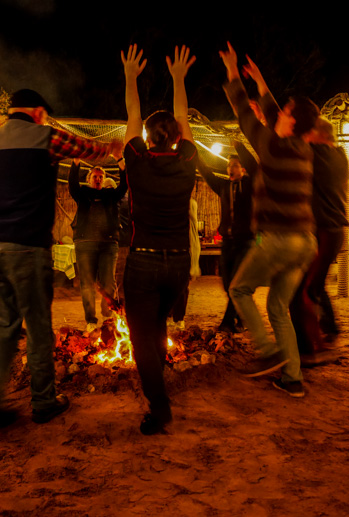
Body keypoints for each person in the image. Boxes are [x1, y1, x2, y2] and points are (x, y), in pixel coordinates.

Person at [0, 88, 121, 426]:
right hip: (24, 243)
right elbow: (86, 149)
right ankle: (43, 401)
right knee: (39, 327)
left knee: (2, 325)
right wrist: (111, 149)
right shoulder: (44, 136)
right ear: (39, 112)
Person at [220, 43, 319, 398]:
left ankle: (268, 352)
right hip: (305, 243)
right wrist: (261, 80)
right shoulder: (302, 148)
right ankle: (292, 377)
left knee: (239, 289)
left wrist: (233, 72)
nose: (279, 112)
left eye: (286, 111)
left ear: (290, 122)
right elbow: (272, 110)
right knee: (278, 306)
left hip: (276, 239)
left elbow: (241, 109)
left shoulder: (269, 145)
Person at [121, 44, 197, 435]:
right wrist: (179, 78)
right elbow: (180, 118)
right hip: (178, 264)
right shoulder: (186, 163)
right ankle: (160, 391)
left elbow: (132, 117)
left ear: (148, 138)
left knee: (142, 340)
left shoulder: (137, 161)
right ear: (177, 137)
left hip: (143, 263)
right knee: (159, 328)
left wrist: (131, 78)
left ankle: (160, 405)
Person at [289, 118, 349, 366]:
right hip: (330, 231)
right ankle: (321, 339)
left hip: (325, 231)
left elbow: (293, 141)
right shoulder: (340, 156)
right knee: (312, 288)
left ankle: (315, 348)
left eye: (310, 133)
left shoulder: (322, 153)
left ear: (318, 135)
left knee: (304, 292)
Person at [197, 149, 254, 334]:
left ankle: (227, 323)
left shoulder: (250, 185)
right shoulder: (223, 186)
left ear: (243, 169)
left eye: (235, 165)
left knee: (236, 284)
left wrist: (241, 149)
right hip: (228, 243)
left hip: (246, 242)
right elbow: (206, 172)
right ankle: (241, 317)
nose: (230, 168)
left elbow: (257, 169)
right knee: (227, 284)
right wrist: (193, 153)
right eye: (229, 166)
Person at [68, 159, 127, 333]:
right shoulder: (82, 194)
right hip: (85, 243)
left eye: (101, 177)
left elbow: (124, 185)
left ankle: (107, 313)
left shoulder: (111, 195)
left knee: (108, 282)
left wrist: (120, 162)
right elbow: (72, 184)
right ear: (89, 179)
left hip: (108, 244)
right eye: (95, 176)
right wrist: (75, 164)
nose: (98, 179)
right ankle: (91, 320)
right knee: (87, 284)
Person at [168, 198, 201, 330]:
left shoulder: (190, 204)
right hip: (171, 249)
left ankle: (179, 318)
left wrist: (193, 264)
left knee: (181, 288)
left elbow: (193, 239)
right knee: (169, 286)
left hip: (185, 251)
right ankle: (170, 315)